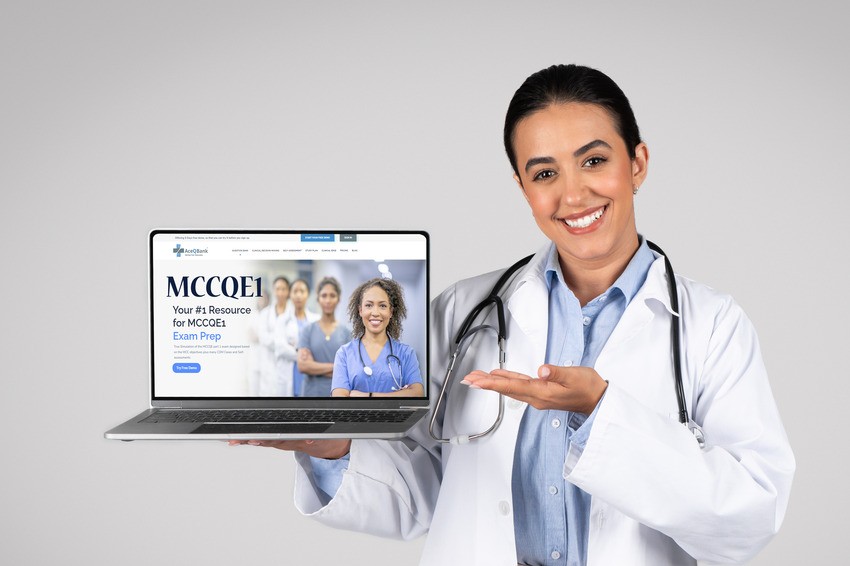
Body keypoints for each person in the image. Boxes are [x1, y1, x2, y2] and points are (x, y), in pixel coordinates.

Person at [232, 64, 795, 565]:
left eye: (594, 161)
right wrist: (330, 450)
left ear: (637, 163)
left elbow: (747, 520)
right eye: (545, 173)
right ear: (523, 186)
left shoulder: (711, 326)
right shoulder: (463, 311)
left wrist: (601, 413)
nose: (573, 195)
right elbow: (422, 493)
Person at [331, 278, 424, 398]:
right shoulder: (344, 353)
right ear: (360, 310)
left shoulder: (406, 353)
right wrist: (399, 394)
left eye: (382, 306)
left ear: (391, 312)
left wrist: (369, 396)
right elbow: (339, 398)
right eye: (369, 305)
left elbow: (417, 394)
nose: (375, 312)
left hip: (395, 417)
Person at [296, 277, 350, 397]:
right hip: (311, 394)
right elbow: (303, 366)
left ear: (338, 299)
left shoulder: (346, 333)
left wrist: (314, 366)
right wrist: (337, 367)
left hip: (337, 395)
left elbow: (349, 371)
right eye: (324, 295)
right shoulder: (308, 330)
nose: (328, 300)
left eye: (332, 295)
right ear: (318, 299)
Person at [276, 278, 320, 397]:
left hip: (310, 376)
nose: (298, 295)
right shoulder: (282, 320)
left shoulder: (316, 320)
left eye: (302, 291)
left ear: (308, 294)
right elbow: (280, 348)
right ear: (290, 294)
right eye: (295, 291)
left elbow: (318, 349)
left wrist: (296, 349)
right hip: (290, 376)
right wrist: (304, 352)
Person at [257, 276, 290, 396]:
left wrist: (276, 341)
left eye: (283, 289)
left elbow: (297, 341)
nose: (280, 292)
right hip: (268, 370)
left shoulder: (293, 314)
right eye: (277, 289)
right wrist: (286, 346)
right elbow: (264, 339)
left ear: (288, 291)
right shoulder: (265, 314)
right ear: (273, 290)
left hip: (287, 371)